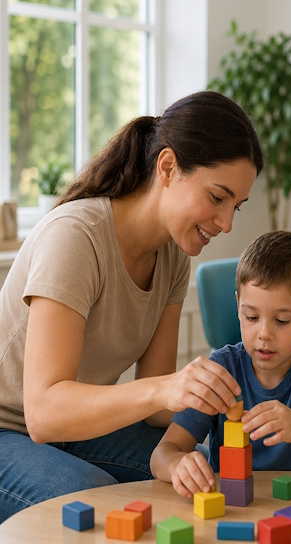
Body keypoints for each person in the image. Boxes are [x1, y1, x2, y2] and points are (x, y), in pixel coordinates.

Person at [0, 91, 263, 521]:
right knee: (96, 500)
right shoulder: (76, 237)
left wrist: (232, 394)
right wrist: (165, 387)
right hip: (11, 427)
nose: (227, 223)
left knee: (198, 468)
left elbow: (159, 409)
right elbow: (44, 413)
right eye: (218, 197)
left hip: (75, 430)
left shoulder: (175, 254)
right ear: (167, 167)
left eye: (236, 205)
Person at [150, 230, 291, 497]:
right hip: (235, 510)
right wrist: (176, 464)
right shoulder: (222, 370)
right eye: (252, 317)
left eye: (282, 320)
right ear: (238, 306)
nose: (264, 333)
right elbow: (163, 452)